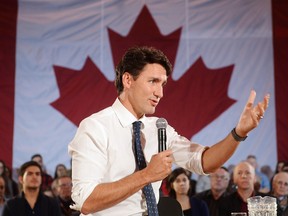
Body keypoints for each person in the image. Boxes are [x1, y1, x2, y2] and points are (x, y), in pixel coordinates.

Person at [68, 46, 270, 215]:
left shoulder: (158, 128)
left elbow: (204, 162)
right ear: (128, 80)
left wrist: (239, 133)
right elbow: (87, 201)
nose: (160, 93)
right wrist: (147, 175)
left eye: (163, 84)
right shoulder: (95, 127)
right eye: (153, 81)